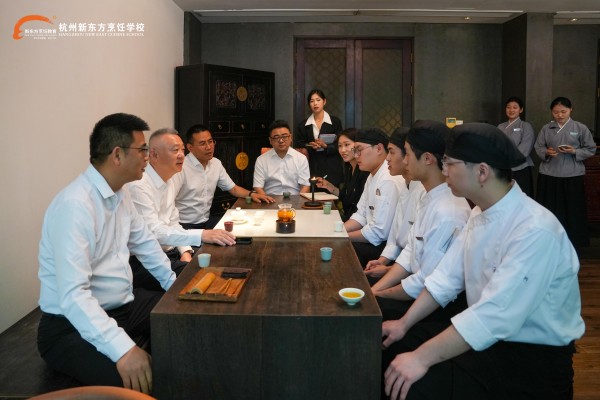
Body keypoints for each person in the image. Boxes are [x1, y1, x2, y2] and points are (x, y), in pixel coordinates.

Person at [382, 122, 585, 400]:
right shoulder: (480, 212)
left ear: (481, 172)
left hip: (529, 361)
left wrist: (420, 358)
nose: (443, 171)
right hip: (489, 341)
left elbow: (496, 313)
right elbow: (446, 278)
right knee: (393, 345)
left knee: (415, 385)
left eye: (449, 163)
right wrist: (403, 323)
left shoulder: (535, 229)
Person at [37, 113, 176, 393]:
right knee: (144, 382)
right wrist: (124, 349)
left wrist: (175, 287)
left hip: (123, 307)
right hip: (69, 326)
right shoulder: (75, 205)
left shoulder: (121, 194)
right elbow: (73, 295)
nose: (147, 157)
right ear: (117, 155)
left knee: (185, 319)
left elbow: (146, 245)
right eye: (143, 150)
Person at [369, 121, 470, 321]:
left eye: (406, 153)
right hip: (416, 285)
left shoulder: (448, 211)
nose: (404, 161)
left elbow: (424, 281)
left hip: (434, 306)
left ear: (427, 159)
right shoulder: (428, 196)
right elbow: (409, 252)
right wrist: (374, 290)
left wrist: (378, 295)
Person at [127, 128, 236, 290]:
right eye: (175, 150)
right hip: (143, 261)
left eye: (182, 150)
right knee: (205, 278)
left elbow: (173, 223)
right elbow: (153, 233)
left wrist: (186, 251)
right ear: (154, 155)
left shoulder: (170, 180)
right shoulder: (139, 185)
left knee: (221, 259)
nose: (181, 155)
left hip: (170, 252)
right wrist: (202, 234)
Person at [175, 124, 274, 230]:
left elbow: (233, 189)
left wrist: (252, 194)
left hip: (207, 222)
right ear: (190, 147)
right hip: (184, 225)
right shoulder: (180, 167)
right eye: (202, 143)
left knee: (243, 229)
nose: (208, 147)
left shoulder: (216, 163)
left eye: (210, 141)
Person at [363, 128, 426, 283]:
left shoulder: (423, 191)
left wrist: (387, 270)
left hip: (412, 270)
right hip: (400, 261)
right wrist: (382, 261)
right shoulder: (405, 185)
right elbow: (395, 238)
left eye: (391, 152)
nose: (387, 159)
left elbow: (415, 253)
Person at [534, 96, 597, 248]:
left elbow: (591, 149)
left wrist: (574, 151)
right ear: (551, 112)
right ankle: (548, 239)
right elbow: (538, 147)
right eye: (556, 112)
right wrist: (547, 152)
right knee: (550, 209)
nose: (560, 115)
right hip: (549, 173)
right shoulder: (546, 128)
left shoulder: (580, 128)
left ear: (570, 110)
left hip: (572, 174)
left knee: (573, 209)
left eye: (563, 111)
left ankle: (574, 240)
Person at [344, 128, 403, 267]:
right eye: (354, 151)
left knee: (343, 249)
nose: (356, 156)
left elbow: (379, 232)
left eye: (359, 150)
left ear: (379, 148)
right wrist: (338, 230)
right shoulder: (372, 175)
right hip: (375, 239)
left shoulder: (388, 178)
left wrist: (341, 236)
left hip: (386, 247)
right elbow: (361, 214)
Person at [316, 128, 369, 221]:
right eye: (340, 146)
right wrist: (329, 186)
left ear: (358, 145)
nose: (342, 150)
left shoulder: (364, 170)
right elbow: (344, 195)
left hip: (357, 221)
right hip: (348, 217)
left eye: (347, 145)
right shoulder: (349, 167)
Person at [296, 89, 344, 187]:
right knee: (313, 194)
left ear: (324, 101)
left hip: (331, 167)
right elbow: (298, 144)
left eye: (318, 100)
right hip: (313, 166)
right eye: (312, 101)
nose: (315, 103)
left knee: (332, 195)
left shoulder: (335, 122)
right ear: (309, 104)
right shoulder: (303, 125)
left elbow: (340, 144)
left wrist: (326, 146)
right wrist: (310, 145)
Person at [253, 120, 311, 195]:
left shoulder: (301, 158)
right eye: (276, 137)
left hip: (295, 198)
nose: (281, 140)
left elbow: (305, 185)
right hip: (270, 199)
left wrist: (298, 201)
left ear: (290, 137)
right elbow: (258, 187)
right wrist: (266, 200)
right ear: (270, 140)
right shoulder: (261, 160)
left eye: (284, 136)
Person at [497, 96, 535, 197]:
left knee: (520, 196)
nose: (511, 110)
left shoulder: (525, 126)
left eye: (515, 107)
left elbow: (525, 147)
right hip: (503, 167)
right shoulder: (500, 126)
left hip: (521, 167)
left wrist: (508, 157)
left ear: (521, 110)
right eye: (508, 107)